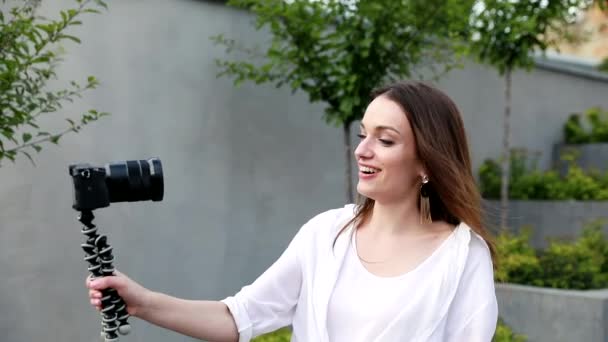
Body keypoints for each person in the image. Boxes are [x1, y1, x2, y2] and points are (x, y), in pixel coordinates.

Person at [87, 80, 498, 342]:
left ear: (427, 162)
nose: (362, 150)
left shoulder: (462, 257)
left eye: (385, 140)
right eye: (362, 135)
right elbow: (239, 318)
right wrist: (142, 302)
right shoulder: (325, 234)